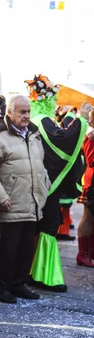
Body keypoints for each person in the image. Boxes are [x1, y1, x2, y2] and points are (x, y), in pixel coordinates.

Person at [0, 95, 50, 303]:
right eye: (22, 112)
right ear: (9, 112)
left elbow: (40, 165)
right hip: (10, 203)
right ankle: (1, 289)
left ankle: (18, 285)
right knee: (7, 251)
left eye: (28, 111)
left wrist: (45, 186)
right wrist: (1, 195)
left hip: (32, 202)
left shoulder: (34, 134)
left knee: (26, 249)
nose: (27, 116)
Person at [24, 75, 89, 291]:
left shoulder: (38, 118)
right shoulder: (42, 119)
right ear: (47, 100)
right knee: (48, 224)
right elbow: (61, 142)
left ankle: (33, 272)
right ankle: (45, 275)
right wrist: (82, 120)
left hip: (35, 182)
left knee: (39, 225)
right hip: (43, 184)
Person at [77, 108, 94, 267]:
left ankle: (91, 251)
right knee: (88, 218)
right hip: (92, 181)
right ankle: (83, 254)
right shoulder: (91, 135)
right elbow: (91, 159)